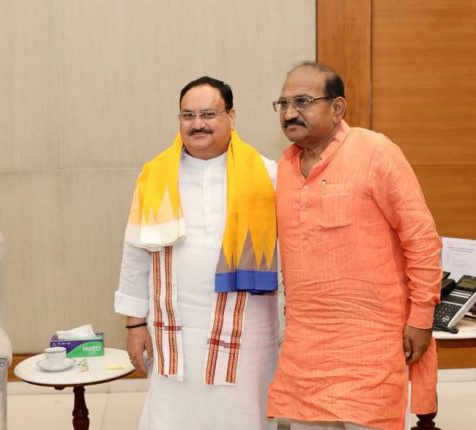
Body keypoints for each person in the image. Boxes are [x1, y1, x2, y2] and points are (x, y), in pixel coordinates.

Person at [266, 62, 441, 430]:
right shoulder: (284, 167)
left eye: (302, 101)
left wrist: (421, 319)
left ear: (337, 108)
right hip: (305, 353)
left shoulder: (375, 151)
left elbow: (422, 240)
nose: (289, 113)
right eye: (283, 104)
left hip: (371, 348)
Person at [115, 76, 280, 430]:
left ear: (231, 116)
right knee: (173, 414)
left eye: (208, 114)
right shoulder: (156, 175)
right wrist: (135, 323)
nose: (197, 124)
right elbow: (135, 253)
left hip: (247, 326)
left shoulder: (268, 175)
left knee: (240, 413)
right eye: (188, 115)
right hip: (175, 327)